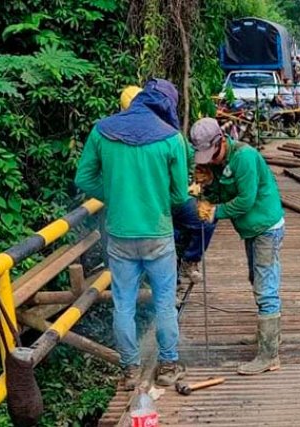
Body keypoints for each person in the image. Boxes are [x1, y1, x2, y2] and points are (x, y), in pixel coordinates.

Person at [75, 79, 188, 390]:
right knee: (164, 301)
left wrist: (113, 194)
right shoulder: (171, 138)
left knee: (123, 303)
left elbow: (84, 177)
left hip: (120, 235)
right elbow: (179, 197)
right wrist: (157, 199)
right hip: (157, 233)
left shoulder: (102, 130)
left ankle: (130, 370)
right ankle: (167, 366)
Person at [189, 117, 285, 375]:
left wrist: (214, 212)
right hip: (250, 229)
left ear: (221, 141)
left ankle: (269, 355)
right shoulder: (216, 163)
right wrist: (207, 187)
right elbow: (220, 193)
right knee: (256, 279)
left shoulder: (244, 157)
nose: (209, 160)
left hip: (265, 226)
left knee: (265, 286)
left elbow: (245, 200)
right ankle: (269, 337)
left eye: (211, 155)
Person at [119, 87, 217, 288]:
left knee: (206, 218)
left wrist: (193, 180)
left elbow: (189, 155)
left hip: (174, 198)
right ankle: (164, 282)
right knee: (163, 236)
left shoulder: (166, 130)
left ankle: (189, 261)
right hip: (147, 204)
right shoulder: (119, 135)